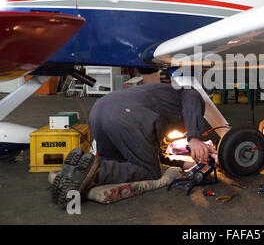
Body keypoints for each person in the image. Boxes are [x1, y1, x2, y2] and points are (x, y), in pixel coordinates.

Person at [52, 83, 211, 205]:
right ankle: (98, 173)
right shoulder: (184, 95)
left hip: (99, 110)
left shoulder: (159, 98)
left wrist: (181, 163)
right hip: (127, 116)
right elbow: (192, 95)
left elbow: (150, 152)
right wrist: (194, 137)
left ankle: (76, 169)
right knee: (149, 170)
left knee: (117, 162)